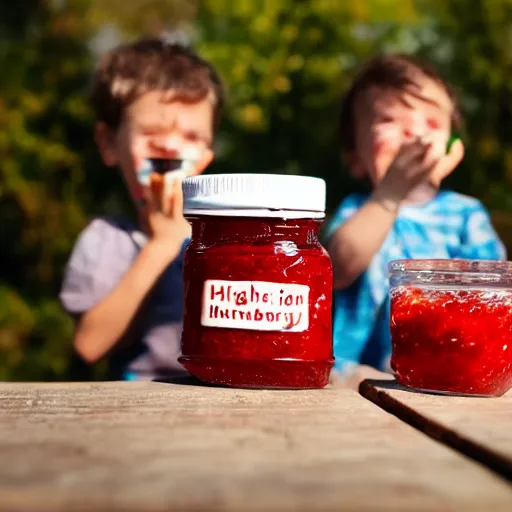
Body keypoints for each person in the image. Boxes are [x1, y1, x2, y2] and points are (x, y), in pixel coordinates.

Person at [324, 54, 505, 385]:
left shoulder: (466, 215)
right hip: (360, 379)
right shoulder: (359, 211)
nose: (414, 132)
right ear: (355, 159)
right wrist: (390, 194)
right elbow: (333, 272)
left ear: (454, 150)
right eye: (389, 120)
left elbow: (496, 299)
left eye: (433, 123)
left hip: (448, 372)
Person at [60, 37, 224, 380]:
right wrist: (163, 244)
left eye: (191, 137)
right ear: (108, 144)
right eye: (151, 133)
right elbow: (89, 345)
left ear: (207, 157)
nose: (169, 145)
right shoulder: (106, 241)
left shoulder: (225, 239)